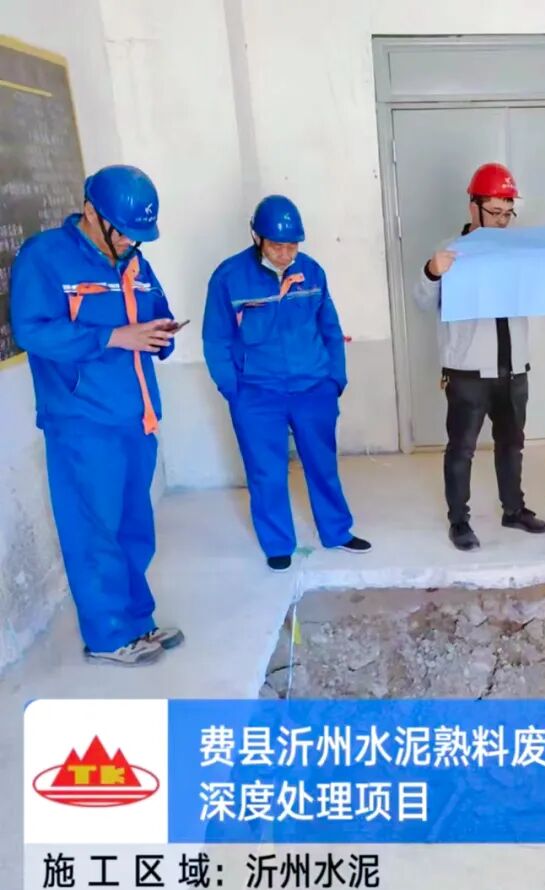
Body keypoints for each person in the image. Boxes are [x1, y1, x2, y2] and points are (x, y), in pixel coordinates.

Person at [10, 165, 183, 666]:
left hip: (136, 416)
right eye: (123, 231)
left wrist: (161, 335)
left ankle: (137, 621)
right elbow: (32, 330)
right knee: (93, 532)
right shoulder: (45, 257)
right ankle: (108, 636)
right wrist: (113, 337)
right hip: (83, 422)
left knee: (134, 527)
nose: (130, 242)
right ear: (91, 212)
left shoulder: (135, 261)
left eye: (137, 235)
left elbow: (155, 309)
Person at [203, 195, 369, 571]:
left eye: (292, 245)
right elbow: (215, 339)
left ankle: (337, 531)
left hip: (314, 389)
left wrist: (335, 379)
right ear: (257, 237)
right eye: (277, 246)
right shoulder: (229, 278)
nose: (285, 254)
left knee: (322, 464)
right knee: (266, 470)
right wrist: (233, 390)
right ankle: (278, 543)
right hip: (257, 393)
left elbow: (330, 328)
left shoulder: (312, 272)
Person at [413, 162, 545, 551]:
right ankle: (459, 520)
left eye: (508, 213)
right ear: (472, 206)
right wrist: (431, 272)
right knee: (462, 449)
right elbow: (422, 301)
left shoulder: (519, 253)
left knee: (511, 445)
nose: (502, 221)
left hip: (514, 368)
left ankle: (514, 510)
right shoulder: (450, 254)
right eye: (494, 212)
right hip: (468, 373)